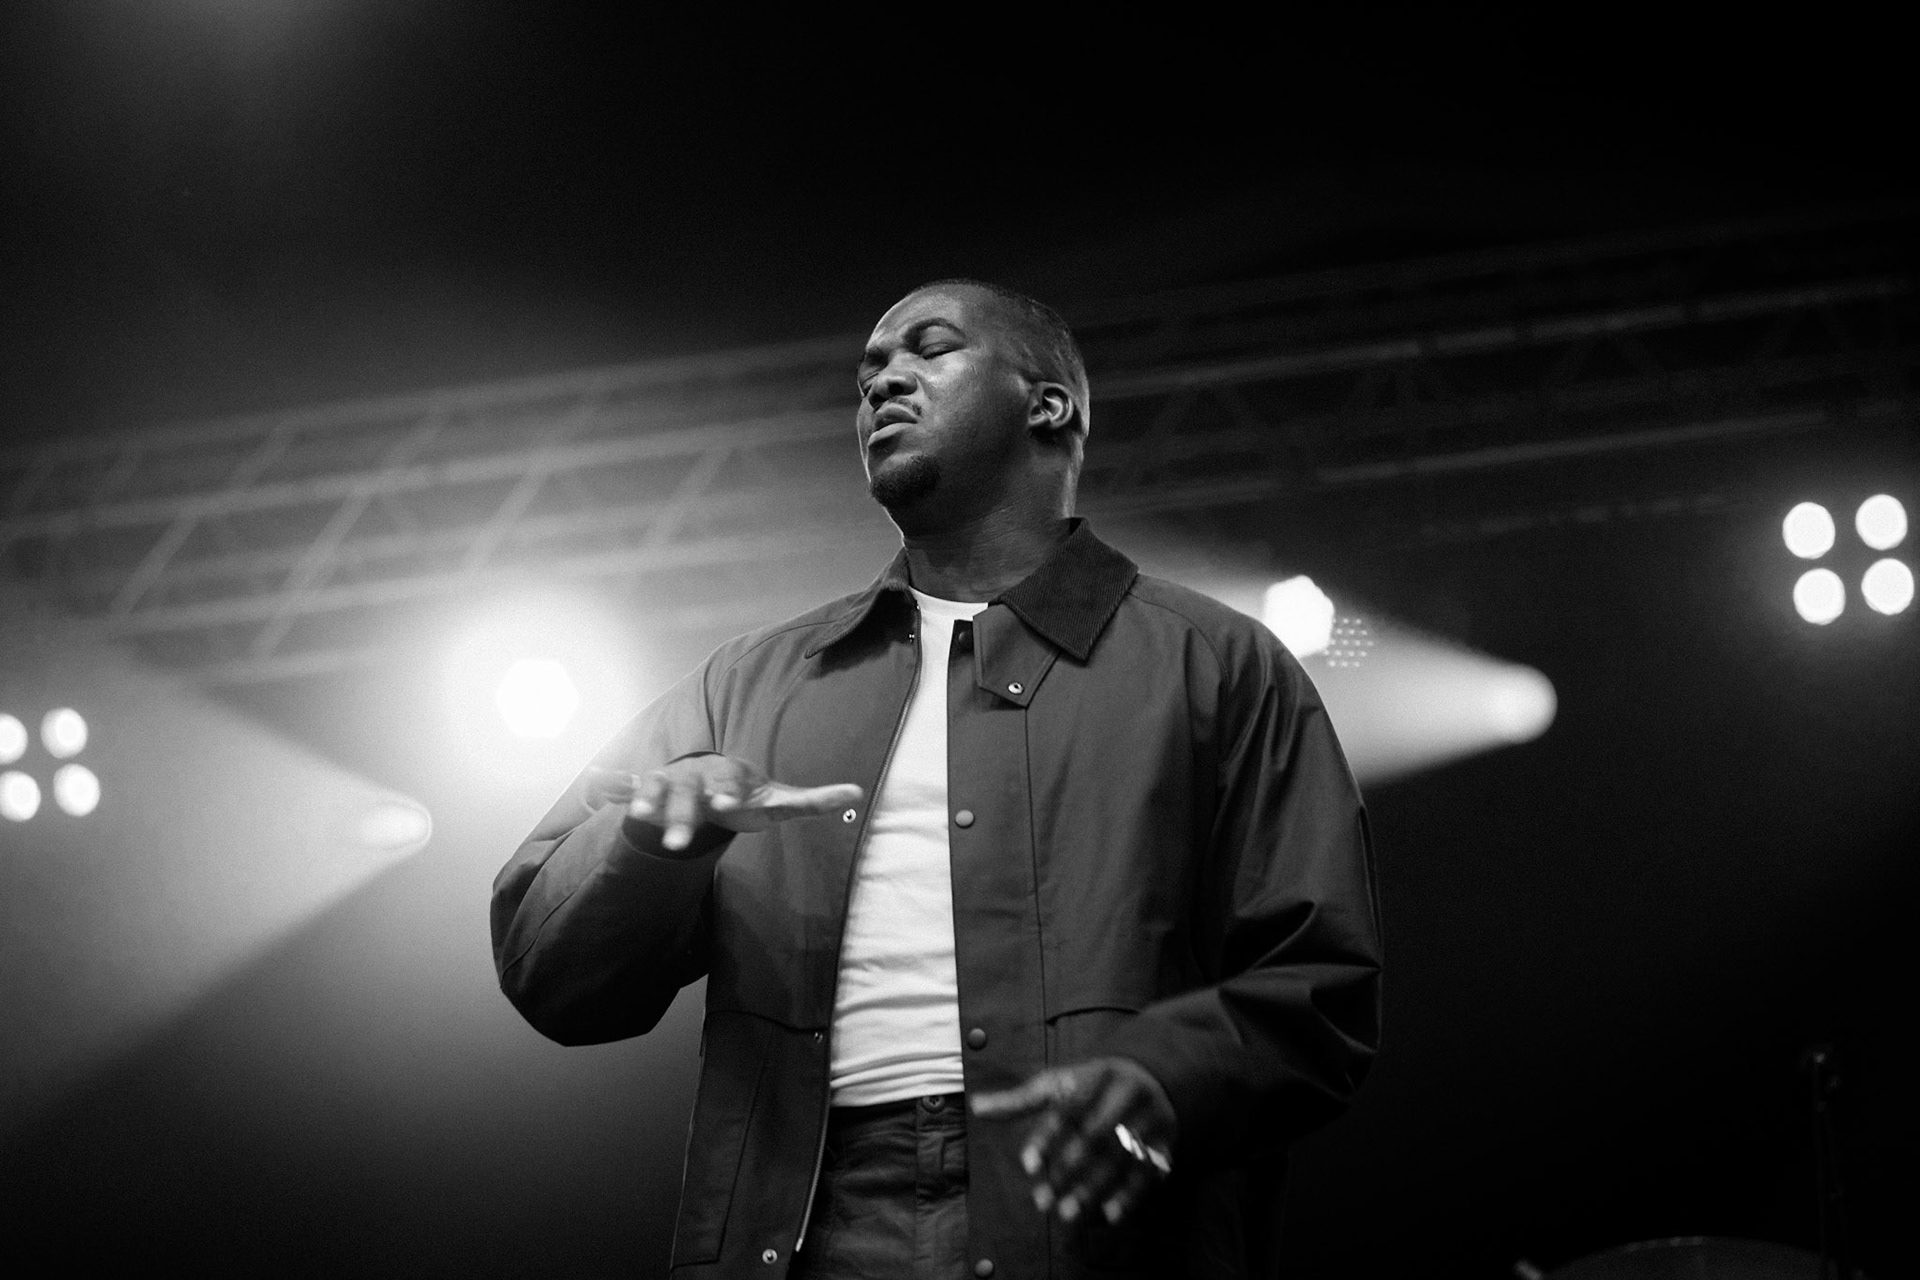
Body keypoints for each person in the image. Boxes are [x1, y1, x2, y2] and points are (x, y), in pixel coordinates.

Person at [491, 279, 1382, 1279]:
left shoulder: (1215, 661)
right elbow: (546, 968)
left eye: (929, 349)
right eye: (869, 370)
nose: (883, 381)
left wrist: (1160, 1073)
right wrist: (651, 844)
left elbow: (1321, 981)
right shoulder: (751, 683)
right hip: (816, 1220)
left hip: (1091, 1213)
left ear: (1048, 404)